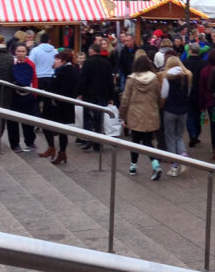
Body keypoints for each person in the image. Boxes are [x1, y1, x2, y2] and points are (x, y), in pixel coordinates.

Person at [120, 51, 163, 180]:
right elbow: (158, 96)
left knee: (135, 141)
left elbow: (125, 99)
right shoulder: (155, 79)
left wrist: (122, 115)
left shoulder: (131, 79)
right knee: (148, 141)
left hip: (135, 114)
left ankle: (133, 166)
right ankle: (155, 165)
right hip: (150, 113)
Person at [40, 49, 78, 165]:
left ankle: (59, 151)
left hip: (59, 105)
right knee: (56, 128)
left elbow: (62, 88)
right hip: (58, 104)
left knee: (58, 129)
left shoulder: (65, 72)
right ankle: (56, 150)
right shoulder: (63, 70)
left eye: (57, 59)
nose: (55, 61)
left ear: (63, 61)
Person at [77, 43, 114, 152]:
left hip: (89, 95)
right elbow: (110, 81)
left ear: (92, 51)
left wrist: (79, 92)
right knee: (99, 117)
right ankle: (98, 141)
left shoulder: (88, 63)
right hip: (102, 94)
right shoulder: (107, 63)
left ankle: (89, 139)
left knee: (87, 117)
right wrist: (111, 96)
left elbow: (83, 79)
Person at [160, 54, 191, 177]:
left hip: (170, 110)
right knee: (179, 136)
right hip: (183, 110)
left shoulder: (167, 78)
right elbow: (188, 93)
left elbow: (163, 94)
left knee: (170, 137)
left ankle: (174, 166)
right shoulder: (187, 77)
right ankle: (183, 156)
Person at [6, 43, 39, 153]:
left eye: (23, 51)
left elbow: (34, 79)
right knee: (13, 121)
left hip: (27, 95)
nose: (21, 53)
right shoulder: (11, 63)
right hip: (14, 95)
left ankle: (30, 141)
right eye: (19, 51)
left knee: (28, 120)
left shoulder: (31, 64)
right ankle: (15, 144)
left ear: (27, 52)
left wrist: (34, 93)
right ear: (15, 52)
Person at [199, 48, 215, 162]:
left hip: (210, 101)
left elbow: (202, 89)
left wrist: (202, 105)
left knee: (214, 126)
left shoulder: (205, 71)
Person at [183, 43, 205, 148]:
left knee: (190, 115)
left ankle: (192, 134)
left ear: (190, 51)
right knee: (198, 114)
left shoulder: (185, 63)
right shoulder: (203, 63)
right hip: (200, 92)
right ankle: (196, 133)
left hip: (188, 92)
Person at [28, 31, 57, 102]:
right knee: (49, 101)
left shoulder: (35, 50)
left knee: (36, 100)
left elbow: (30, 63)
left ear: (40, 41)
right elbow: (56, 63)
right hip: (51, 76)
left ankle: (36, 113)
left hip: (38, 77)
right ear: (49, 40)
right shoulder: (55, 51)